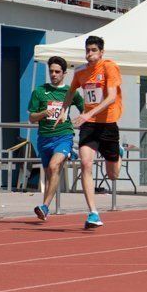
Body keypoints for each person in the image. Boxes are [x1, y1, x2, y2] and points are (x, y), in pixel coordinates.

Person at [55, 35, 124, 229]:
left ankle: (118, 152)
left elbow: (111, 97)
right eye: (87, 50)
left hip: (108, 123)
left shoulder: (109, 67)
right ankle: (93, 212)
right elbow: (70, 91)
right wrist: (64, 109)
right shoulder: (80, 71)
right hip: (89, 125)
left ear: (101, 52)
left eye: (93, 50)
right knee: (86, 163)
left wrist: (88, 113)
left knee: (113, 175)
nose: (89, 54)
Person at [28, 56, 84, 221]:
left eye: (57, 71)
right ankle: (45, 208)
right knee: (50, 174)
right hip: (44, 139)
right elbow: (31, 118)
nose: (53, 74)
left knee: (54, 167)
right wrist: (44, 113)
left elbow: (84, 110)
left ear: (64, 73)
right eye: (51, 71)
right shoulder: (39, 91)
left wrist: (82, 119)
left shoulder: (70, 91)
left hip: (64, 135)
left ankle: (44, 207)